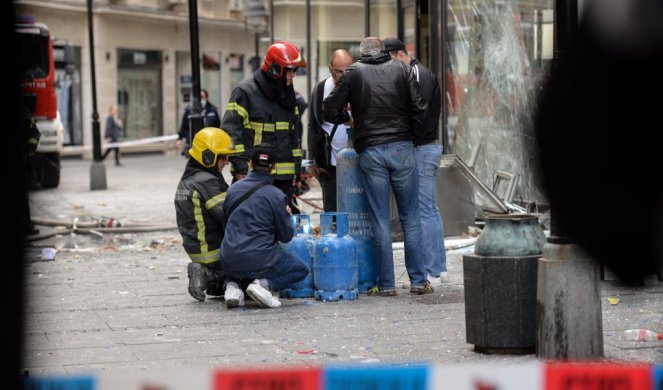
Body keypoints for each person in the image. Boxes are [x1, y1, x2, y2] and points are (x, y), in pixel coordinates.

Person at [323, 37, 431, 296]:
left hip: (371, 148)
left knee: (380, 220)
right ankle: (418, 280)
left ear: (361, 53)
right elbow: (420, 107)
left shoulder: (354, 72)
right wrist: (412, 136)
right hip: (402, 147)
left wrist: (349, 119)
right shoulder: (403, 68)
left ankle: (387, 284)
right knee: (411, 217)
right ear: (383, 51)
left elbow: (328, 109)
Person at [384, 37, 448, 287]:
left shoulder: (417, 74)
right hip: (425, 146)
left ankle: (432, 270)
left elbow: (419, 113)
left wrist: (406, 137)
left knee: (424, 210)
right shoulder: (419, 72)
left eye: (389, 61)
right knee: (429, 209)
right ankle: (439, 267)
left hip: (422, 147)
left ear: (400, 55)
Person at [219, 143, 309, 309]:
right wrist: (286, 216)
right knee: (301, 270)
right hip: (260, 261)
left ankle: (232, 287)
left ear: (251, 164)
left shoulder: (232, 190)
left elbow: (226, 224)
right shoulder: (276, 195)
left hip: (229, 259)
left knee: (236, 261)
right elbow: (286, 237)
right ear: (273, 167)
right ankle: (262, 285)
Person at [220, 41, 305, 206]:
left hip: (283, 181)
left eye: (295, 70)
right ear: (275, 69)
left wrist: (296, 172)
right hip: (252, 177)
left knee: (281, 225)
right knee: (253, 223)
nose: (293, 75)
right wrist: (239, 168)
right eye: (290, 70)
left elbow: (294, 137)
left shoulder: (288, 95)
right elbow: (231, 131)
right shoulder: (245, 91)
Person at [174, 127, 238, 302]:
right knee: (252, 277)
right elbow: (231, 216)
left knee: (221, 290)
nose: (227, 162)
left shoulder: (189, 178)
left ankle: (210, 277)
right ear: (208, 156)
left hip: (200, 250)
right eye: (223, 157)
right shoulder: (207, 181)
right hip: (213, 252)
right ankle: (209, 274)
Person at [307, 49, 354, 212]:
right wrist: (312, 159)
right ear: (329, 69)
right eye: (338, 71)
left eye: (347, 71)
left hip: (357, 160)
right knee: (332, 208)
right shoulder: (320, 89)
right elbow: (313, 125)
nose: (342, 75)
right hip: (329, 162)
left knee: (354, 207)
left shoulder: (360, 88)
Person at [176, 89, 221, 153]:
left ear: (206, 97)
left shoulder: (212, 110)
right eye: (199, 97)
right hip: (193, 143)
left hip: (209, 143)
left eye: (202, 97)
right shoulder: (189, 110)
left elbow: (218, 126)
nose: (200, 99)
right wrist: (179, 139)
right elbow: (184, 126)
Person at [21, 102, 41, 235]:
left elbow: (35, 135)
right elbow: (35, 134)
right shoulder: (24, 111)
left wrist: (29, 151)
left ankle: (26, 224)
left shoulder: (25, 112)